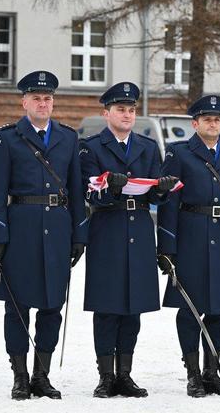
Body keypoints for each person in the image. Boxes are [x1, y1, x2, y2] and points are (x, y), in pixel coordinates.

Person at [0, 70, 86, 400]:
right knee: (17, 307)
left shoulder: (68, 138)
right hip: (21, 231)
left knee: (52, 306)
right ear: (24, 101)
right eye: (37, 98)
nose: (43, 103)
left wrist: (78, 236)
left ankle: (42, 375)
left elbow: (75, 188)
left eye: (48, 98)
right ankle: (19, 375)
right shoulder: (7, 138)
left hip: (57, 229)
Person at [157, 94, 220, 398]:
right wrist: (167, 247)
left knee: (218, 310)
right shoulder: (179, 154)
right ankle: (193, 374)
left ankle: (212, 372)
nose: (213, 123)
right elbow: (168, 204)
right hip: (191, 237)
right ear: (195, 123)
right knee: (191, 309)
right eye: (207, 119)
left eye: (218, 119)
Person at [80, 82, 176, 398]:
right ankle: (106, 375)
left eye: (132, 109)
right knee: (107, 306)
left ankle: (125, 374)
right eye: (120, 109)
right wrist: (111, 189)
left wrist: (161, 190)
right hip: (107, 228)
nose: (127, 114)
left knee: (133, 306)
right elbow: (90, 191)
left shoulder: (148, 147)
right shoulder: (92, 147)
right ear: (107, 113)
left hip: (138, 229)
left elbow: (155, 193)